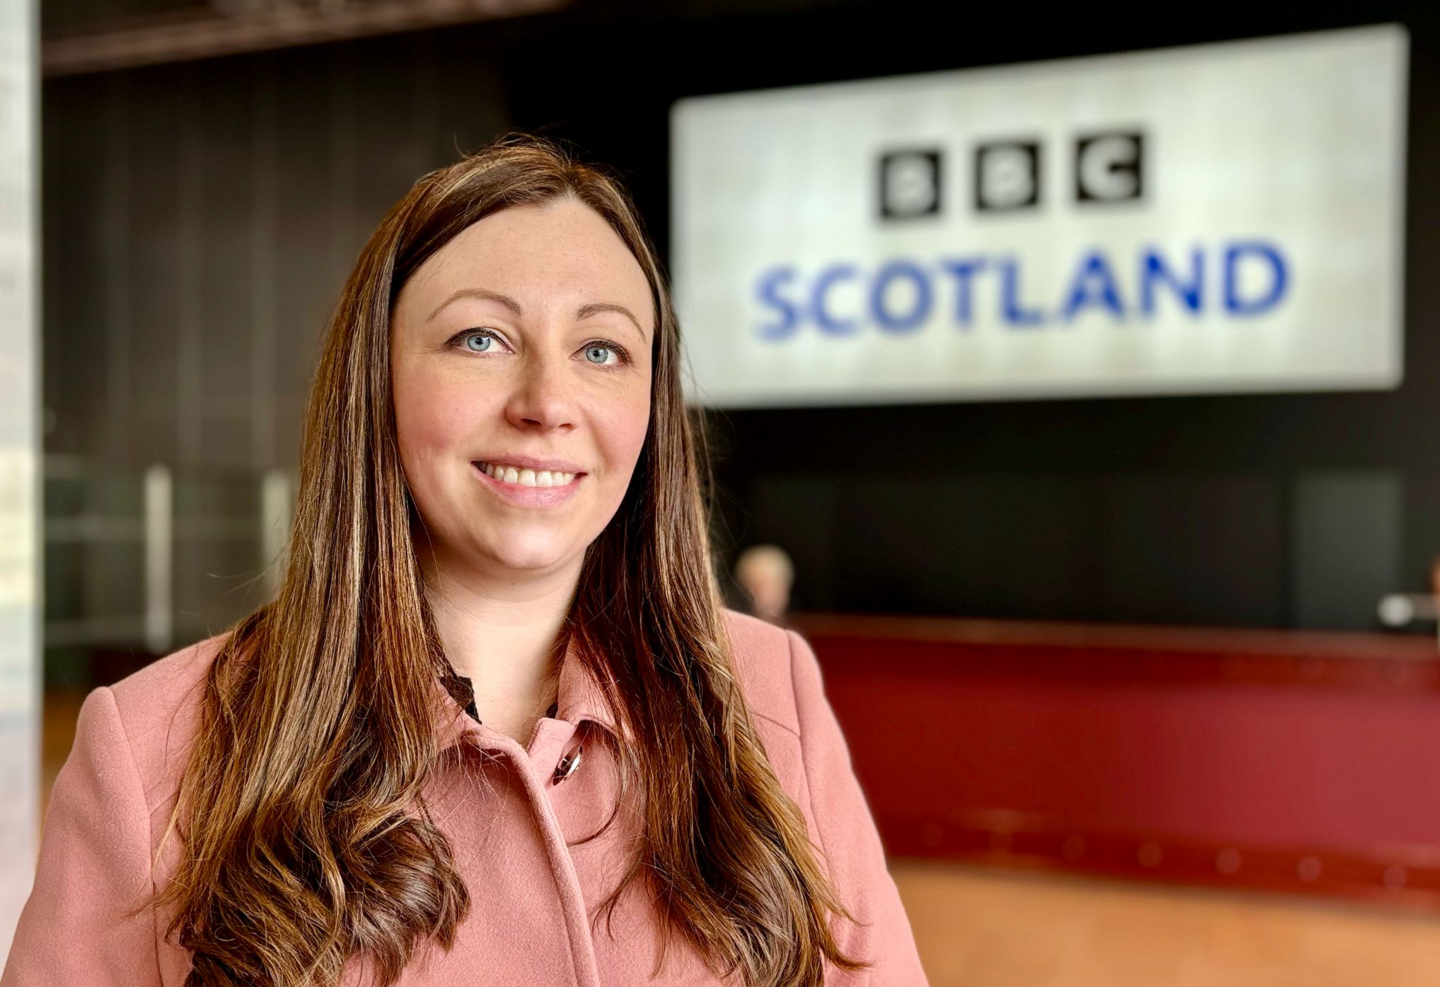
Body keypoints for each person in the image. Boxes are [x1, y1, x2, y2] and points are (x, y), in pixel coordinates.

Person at [3, 134, 928, 987]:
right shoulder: (151, 748)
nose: (547, 401)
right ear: (379, 380)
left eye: (602, 348)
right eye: (480, 338)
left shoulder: (771, 691)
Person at [735, 543, 796, 627]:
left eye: (775, 585)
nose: (766, 595)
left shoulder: (794, 637)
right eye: (759, 586)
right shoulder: (735, 631)